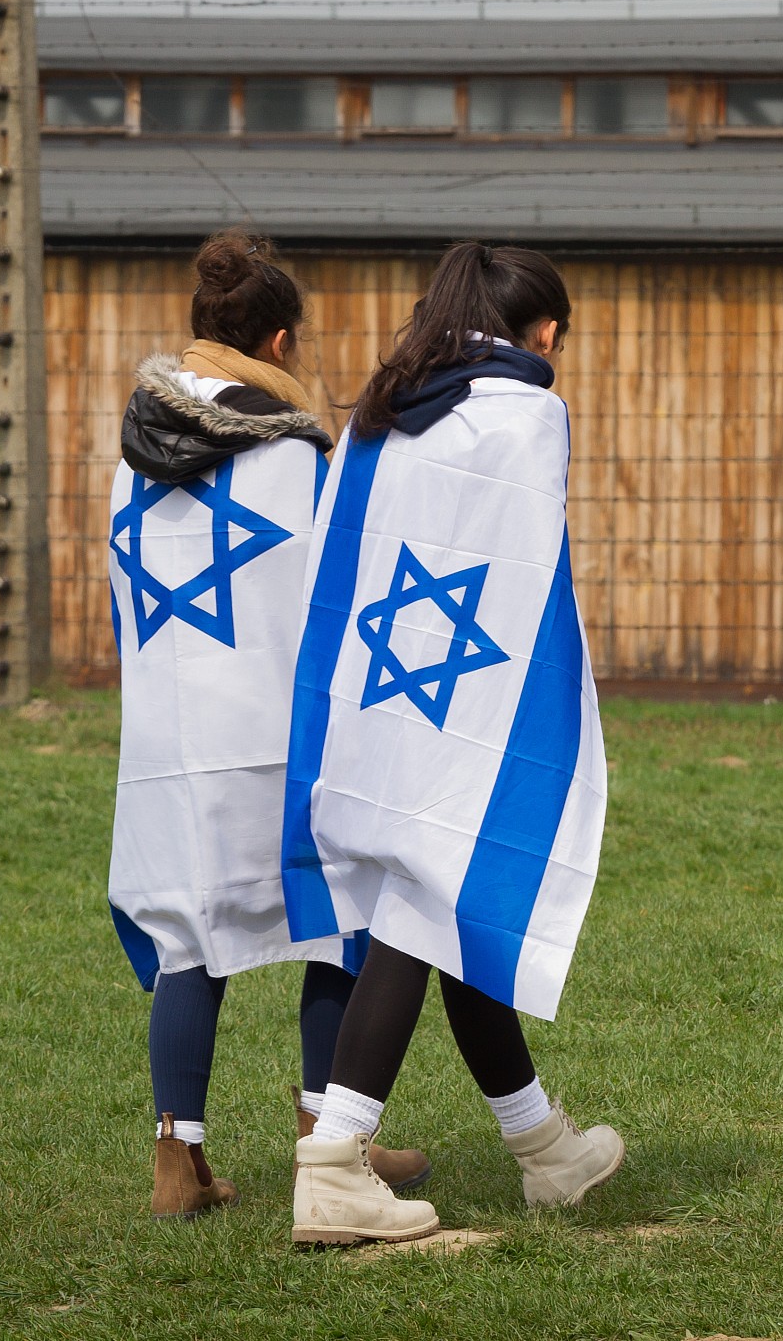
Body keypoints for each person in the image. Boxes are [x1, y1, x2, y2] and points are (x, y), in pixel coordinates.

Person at [278, 242, 622, 1247]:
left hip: (383, 688)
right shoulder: (528, 415)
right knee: (430, 897)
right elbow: (524, 573)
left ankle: (545, 1149)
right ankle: (334, 1161)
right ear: (544, 330)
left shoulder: (382, 414)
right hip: (471, 696)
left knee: (448, 899)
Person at [106, 229, 429, 1220]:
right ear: (279, 344)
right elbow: (336, 596)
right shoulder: (292, 457)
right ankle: (330, 1141)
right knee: (336, 921)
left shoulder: (131, 457)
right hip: (277, 739)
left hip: (168, 742)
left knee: (188, 934)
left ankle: (178, 1160)